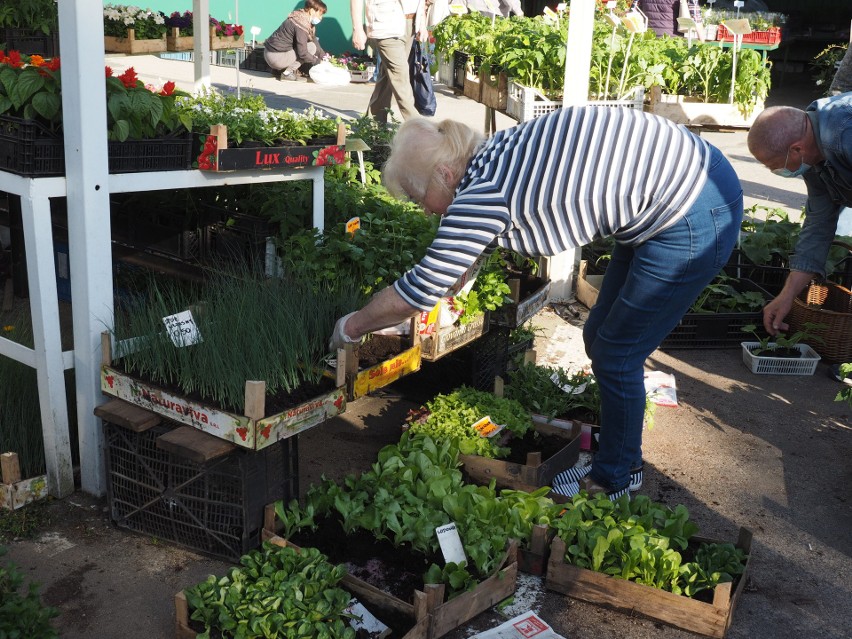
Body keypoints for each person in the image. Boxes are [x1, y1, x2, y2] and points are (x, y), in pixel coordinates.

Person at [329, 107, 744, 501]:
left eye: (421, 199)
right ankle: (625, 459)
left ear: (443, 173)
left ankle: (613, 479)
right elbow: (469, 245)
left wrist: (353, 326)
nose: (424, 212)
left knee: (618, 353)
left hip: (691, 211)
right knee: (601, 337)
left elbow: (420, 289)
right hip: (686, 181)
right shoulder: (492, 153)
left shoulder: (479, 195)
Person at [746, 94, 852, 337]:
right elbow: (819, 224)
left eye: (774, 165)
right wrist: (787, 297)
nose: (774, 171)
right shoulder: (815, 155)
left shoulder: (845, 134)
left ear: (796, 148)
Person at [350, 0, 427, 124]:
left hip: (411, 22)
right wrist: (357, 29)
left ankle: (374, 122)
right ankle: (417, 126)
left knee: (388, 75)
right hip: (386, 23)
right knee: (400, 75)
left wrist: (422, 23)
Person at [264, 0, 327, 82]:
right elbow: (303, 53)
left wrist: (324, 57)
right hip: (276, 58)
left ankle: (277, 71)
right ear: (312, 11)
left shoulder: (298, 17)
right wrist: (318, 62)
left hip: (268, 54)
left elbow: (313, 39)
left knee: (306, 44)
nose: (321, 18)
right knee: (311, 47)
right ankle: (287, 73)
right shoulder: (302, 24)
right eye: (320, 14)